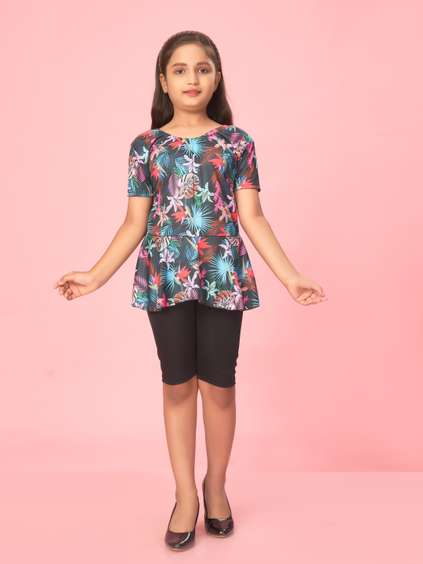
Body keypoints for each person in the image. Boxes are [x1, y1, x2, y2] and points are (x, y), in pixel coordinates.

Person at [53, 30, 327, 550]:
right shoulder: (146, 147)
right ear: (163, 81)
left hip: (223, 274)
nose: (192, 78)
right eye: (180, 70)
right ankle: (184, 495)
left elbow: (253, 216)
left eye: (202, 68)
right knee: (178, 385)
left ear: (216, 77)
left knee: (219, 386)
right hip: (164, 275)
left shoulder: (237, 142)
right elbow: (134, 223)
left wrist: (290, 276)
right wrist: (94, 275)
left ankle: (215, 486)